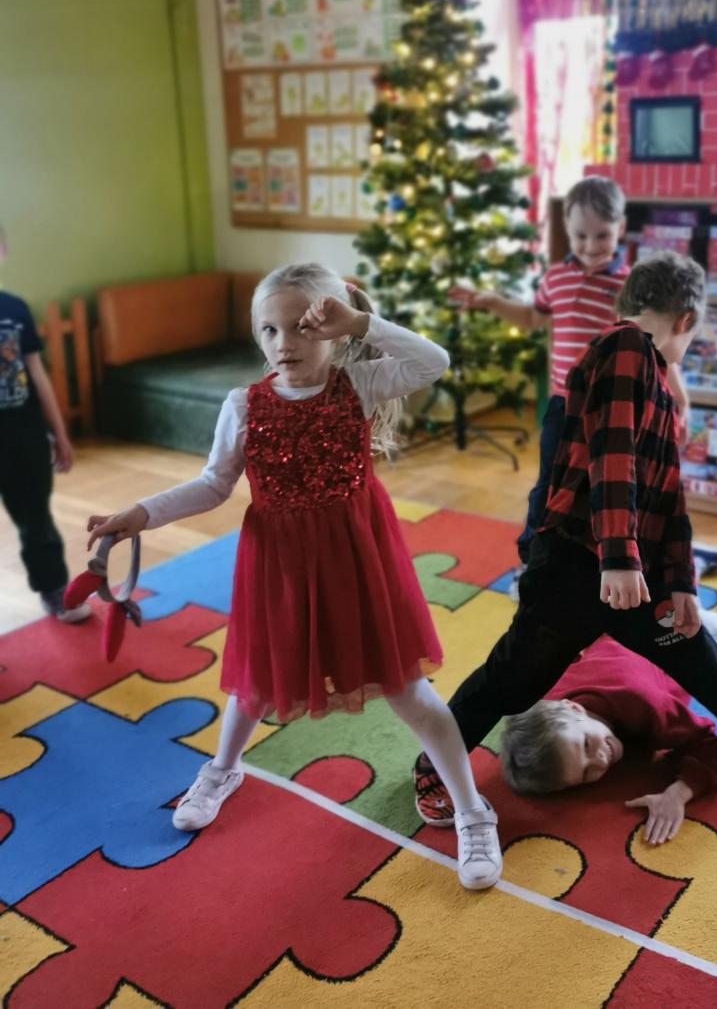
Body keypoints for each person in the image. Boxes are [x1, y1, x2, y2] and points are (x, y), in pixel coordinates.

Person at [87, 263, 502, 891]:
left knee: (406, 687)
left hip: (359, 562)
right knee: (256, 682)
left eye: (302, 327)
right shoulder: (243, 405)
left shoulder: (360, 384)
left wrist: (361, 323)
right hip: (279, 566)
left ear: (333, 328)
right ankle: (223, 769)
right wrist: (140, 514)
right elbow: (212, 485)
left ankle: (471, 809)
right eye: (269, 330)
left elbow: (434, 361)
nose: (284, 343)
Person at [413, 251, 717, 829]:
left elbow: (670, 497)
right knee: (511, 677)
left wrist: (681, 582)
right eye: (692, 336)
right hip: (578, 563)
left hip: (634, 574)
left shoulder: (660, 387)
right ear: (686, 320)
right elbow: (613, 457)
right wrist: (619, 558)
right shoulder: (626, 347)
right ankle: (434, 763)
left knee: (702, 661)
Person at [451, 177, 668, 598]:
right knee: (549, 488)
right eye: (580, 235)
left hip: (613, 413)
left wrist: (673, 396)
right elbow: (534, 318)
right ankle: (532, 564)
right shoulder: (556, 278)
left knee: (613, 490)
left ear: (621, 228)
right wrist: (491, 301)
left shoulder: (630, 286)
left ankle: (617, 565)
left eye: (602, 235)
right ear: (567, 230)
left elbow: (652, 345)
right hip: (563, 408)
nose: (591, 246)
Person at [499, 635, 717, 846]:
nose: (600, 761)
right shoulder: (552, 711)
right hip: (612, 635)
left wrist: (676, 795)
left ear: (575, 708)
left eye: (586, 745)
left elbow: (710, 745)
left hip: (670, 633)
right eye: (586, 773)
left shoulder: (643, 703)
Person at [0, 229, 87, 623]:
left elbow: (37, 372)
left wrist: (59, 433)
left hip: (24, 435)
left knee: (36, 518)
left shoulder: (15, 309)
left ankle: (54, 590)